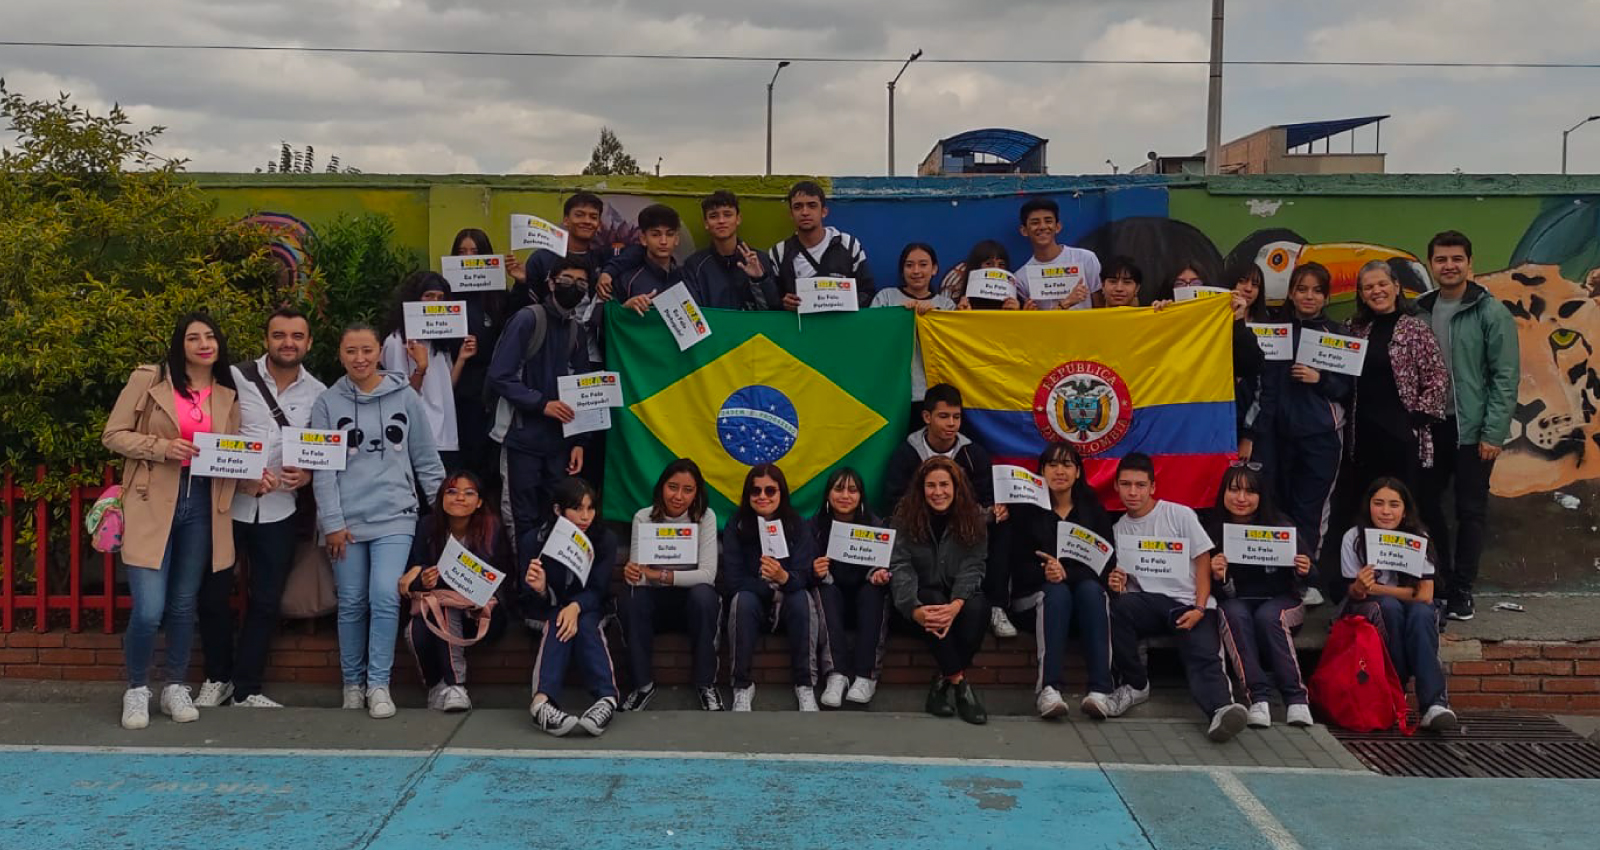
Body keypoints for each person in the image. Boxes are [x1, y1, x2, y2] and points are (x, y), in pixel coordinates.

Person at [102, 313, 250, 730]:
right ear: (180, 345)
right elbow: (113, 434)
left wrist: (257, 479)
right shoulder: (150, 380)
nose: (204, 343)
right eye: (193, 337)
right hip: (151, 503)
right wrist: (163, 447)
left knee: (185, 604)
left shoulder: (227, 395)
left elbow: (232, 455)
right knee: (149, 609)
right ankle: (136, 689)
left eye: (210, 336)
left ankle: (174, 686)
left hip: (203, 505)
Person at [310, 322, 446, 719]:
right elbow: (323, 470)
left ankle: (379, 685)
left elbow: (425, 458)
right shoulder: (326, 402)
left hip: (395, 515)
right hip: (345, 521)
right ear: (340, 354)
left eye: (367, 350)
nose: (360, 358)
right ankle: (352, 684)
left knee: (386, 595)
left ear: (380, 353)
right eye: (351, 350)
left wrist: (440, 514)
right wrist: (331, 522)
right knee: (352, 601)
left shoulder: (404, 396)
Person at [193, 307, 326, 710]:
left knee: (266, 601)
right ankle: (217, 678)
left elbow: (322, 453)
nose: (288, 342)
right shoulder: (233, 378)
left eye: (297, 336)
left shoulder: (319, 392)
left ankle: (247, 688)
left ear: (308, 343)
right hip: (226, 505)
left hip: (280, 510)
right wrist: (240, 478)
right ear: (266, 339)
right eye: (280, 335)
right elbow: (207, 437)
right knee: (213, 595)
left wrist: (307, 477)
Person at [1104, 453, 1250, 743]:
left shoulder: (1178, 514)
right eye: (1126, 484)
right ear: (1117, 488)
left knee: (1204, 655)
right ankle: (1134, 685)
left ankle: (1221, 710)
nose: (1133, 492)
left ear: (1153, 487)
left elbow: (1203, 560)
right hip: (1150, 605)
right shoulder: (1118, 529)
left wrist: (1199, 606)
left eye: (1140, 485)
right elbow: (1126, 582)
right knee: (1116, 606)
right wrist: (1116, 582)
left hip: (1191, 605)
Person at [1414, 231, 1519, 621]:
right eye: (1441, 259)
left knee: (1470, 511)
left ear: (1469, 264)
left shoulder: (1490, 311)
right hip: (1432, 427)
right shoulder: (1420, 310)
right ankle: (1439, 581)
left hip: (1473, 431)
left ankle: (1462, 590)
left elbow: (1505, 377)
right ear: (1431, 265)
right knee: (1426, 504)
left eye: (1456, 259)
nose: (1449, 266)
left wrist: (1493, 433)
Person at [881, 384, 1012, 638]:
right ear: (927, 417)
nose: (952, 423)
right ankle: (913, 598)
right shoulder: (906, 454)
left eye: (957, 416)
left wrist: (991, 511)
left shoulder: (974, 453)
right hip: (919, 529)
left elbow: (986, 500)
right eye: (944, 416)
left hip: (964, 529)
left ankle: (996, 605)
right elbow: (893, 503)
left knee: (1003, 525)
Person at [1252, 262, 1351, 578]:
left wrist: (1318, 378)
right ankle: (1278, 577)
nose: (1309, 297)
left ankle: (1307, 577)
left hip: (1321, 435)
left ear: (1326, 296)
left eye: (1317, 291)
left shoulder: (1337, 334)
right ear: (1291, 293)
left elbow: (1347, 388)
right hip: (1275, 437)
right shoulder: (1271, 330)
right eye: (1302, 289)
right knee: (1274, 504)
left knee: (1311, 509)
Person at [1338, 477, 1458, 731]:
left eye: (1394, 504)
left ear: (1405, 510)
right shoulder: (1354, 537)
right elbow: (1353, 593)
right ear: (1368, 506)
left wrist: (1378, 588)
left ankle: (1434, 704)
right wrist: (1360, 587)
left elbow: (1425, 594)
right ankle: (1395, 693)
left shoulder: (1418, 537)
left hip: (1410, 606)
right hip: (1371, 608)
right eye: (1378, 503)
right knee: (1389, 608)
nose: (1385, 511)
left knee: (1422, 614)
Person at [486, 256, 593, 538]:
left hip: (559, 444)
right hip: (521, 438)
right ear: (551, 282)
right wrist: (541, 404)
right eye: (567, 280)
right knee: (521, 517)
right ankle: (524, 580)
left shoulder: (576, 330)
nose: (575, 287)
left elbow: (583, 390)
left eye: (582, 282)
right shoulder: (527, 319)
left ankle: (548, 579)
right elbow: (500, 375)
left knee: (556, 515)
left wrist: (579, 441)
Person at [1008, 443, 1116, 719]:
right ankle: (1049, 690)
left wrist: (1067, 573)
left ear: (1078, 472)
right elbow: (1015, 566)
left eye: (1067, 465)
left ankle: (1101, 691)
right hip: (1034, 599)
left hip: (1082, 600)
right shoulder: (1025, 511)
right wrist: (1044, 572)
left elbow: (1105, 566)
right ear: (1041, 471)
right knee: (1056, 594)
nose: (1060, 471)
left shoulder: (1092, 510)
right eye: (1053, 465)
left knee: (1092, 591)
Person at [1206, 463, 1315, 729]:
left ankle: (1297, 700)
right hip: (1238, 602)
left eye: (1250, 492)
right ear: (1223, 493)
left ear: (1261, 495)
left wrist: (1304, 569)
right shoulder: (1212, 529)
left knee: (1269, 617)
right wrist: (1218, 575)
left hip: (1282, 601)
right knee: (1231, 612)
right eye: (1234, 490)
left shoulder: (1281, 525)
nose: (1241, 498)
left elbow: (1312, 579)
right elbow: (1215, 589)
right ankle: (1258, 699)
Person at [617, 458, 724, 712]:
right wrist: (633, 573)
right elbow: (640, 578)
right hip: (656, 602)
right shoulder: (643, 517)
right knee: (631, 596)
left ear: (697, 493)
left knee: (704, 595)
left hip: (691, 603)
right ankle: (642, 686)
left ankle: (706, 684)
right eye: (672, 487)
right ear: (661, 487)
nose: (678, 496)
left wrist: (661, 575)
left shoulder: (705, 517)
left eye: (688, 490)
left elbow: (707, 574)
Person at [889, 456, 990, 725]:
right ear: (921, 489)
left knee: (978, 607)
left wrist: (957, 605)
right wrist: (914, 608)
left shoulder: (975, 516)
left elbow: (974, 566)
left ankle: (942, 683)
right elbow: (900, 566)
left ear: (956, 487)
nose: (938, 492)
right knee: (932, 600)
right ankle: (960, 684)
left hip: (956, 598)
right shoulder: (904, 516)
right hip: (920, 600)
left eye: (944, 484)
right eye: (931, 485)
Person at [402, 470, 510, 712]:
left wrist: (482, 599)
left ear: (480, 501)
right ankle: (437, 686)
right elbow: (414, 573)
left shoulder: (492, 528)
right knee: (414, 631)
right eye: (452, 492)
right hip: (437, 606)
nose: (460, 498)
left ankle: (456, 685)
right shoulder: (428, 527)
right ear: (441, 497)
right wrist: (424, 579)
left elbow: (503, 578)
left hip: (482, 613)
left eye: (469, 493)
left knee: (447, 610)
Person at [519, 477, 620, 737]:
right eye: (577, 509)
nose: (585, 516)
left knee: (585, 623)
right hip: (546, 610)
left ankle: (606, 700)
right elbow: (525, 598)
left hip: (588, 609)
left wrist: (576, 605)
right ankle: (542, 703)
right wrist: (541, 589)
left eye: (590, 508)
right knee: (558, 621)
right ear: (558, 510)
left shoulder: (604, 539)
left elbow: (598, 590)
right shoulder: (535, 540)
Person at [1345, 261, 1450, 506]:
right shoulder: (1354, 329)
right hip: (1362, 435)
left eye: (1382, 284)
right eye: (1368, 287)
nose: (1376, 291)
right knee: (1365, 502)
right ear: (1361, 294)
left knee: (1403, 503)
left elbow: (1437, 377)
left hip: (1401, 435)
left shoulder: (1415, 328)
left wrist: (1416, 420)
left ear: (1396, 286)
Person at [723, 464, 820, 711]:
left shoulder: (797, 524)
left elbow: (806, 574)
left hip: (789, 599)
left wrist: (783, 577)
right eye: (756, 491)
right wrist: (767, 587)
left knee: (802, 599)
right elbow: (732, 580)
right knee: (742, 600)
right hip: (755, 599)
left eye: (770, 491)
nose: (763, 497)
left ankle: (805, 685)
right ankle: (741, 686)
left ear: (781, 493)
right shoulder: (737, 525)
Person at [809, 467, 892, 708]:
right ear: (828, 495)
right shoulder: (813, 527)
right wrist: (814, 570)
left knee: (874, 592)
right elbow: (802, 572)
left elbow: (888, 567)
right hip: (831, 603)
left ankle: (865, 677)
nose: (845, 495)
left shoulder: (876, 526)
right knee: (825, 590)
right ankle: (837, 675)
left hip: (864, 603)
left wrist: (879, 573)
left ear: (861, 496)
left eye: (852, 490)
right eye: (839, 489)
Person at [379, 271, 472, 469]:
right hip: (417, 438)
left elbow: (447, 386)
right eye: (428, 296)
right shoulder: (397, 342)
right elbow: (401, 397)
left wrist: (462, 358)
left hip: (446, 435)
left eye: (440, 298)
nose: (434, 303)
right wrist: (420, 368)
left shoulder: (439, 342)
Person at [870, 242, 955, 428]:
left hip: (932, 393)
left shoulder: (946, 305)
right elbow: (872, 338)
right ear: (902, 271)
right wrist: (899, 317)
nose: (916, 271)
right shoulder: (886, 298)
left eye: (923, 264)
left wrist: (935, 317)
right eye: (909, 265)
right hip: (891, 392)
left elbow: (953, 348)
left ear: (934, 269)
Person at [447, 228, 506, 485]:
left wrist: (523, 281)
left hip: (493, 391)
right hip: (457, 389)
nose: (468, 259)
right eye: (462, 253)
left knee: (489, 460)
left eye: (475, 253)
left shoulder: (498, 297)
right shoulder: (446, 298)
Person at [767, 181, 876, 310]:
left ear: (824, 211)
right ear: (791, 214)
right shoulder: (779, 253)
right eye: (798, 207)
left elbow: (868, 291)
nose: (805, 212)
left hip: (841, 326)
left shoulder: (849, 245)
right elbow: (772, 302)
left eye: (812, 205)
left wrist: (847, 304)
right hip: (798, 327)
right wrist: (783, 304)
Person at [508, 192, 612, 311]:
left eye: (593, 217)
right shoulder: (541, 259)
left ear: (599, 224)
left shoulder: (603, 259)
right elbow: (522, 309)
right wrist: (521, 283)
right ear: (566, 220)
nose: (587, 221)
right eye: (579, 215)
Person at [682, 190, 773, 309]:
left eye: (727, 214)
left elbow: (773, 309)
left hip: (753, 328)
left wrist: (759, 279)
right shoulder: (694, 266)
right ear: (706, 223)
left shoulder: (759, 260)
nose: (721, 221)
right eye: (714, 216)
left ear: (738, 219)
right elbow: (693, 313)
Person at [1014, 197, 1102, 310]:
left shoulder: (1085, 258)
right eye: (1035, 222)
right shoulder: (1021, 278)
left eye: (1048, 221)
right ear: (1024, 230)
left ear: (1058, 227)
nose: (1042, 227)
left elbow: (1100, 306)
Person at [606, 204, 688, 315]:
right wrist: (625, 308)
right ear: (643, 239)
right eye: (655, 235)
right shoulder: (626, 279)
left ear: (676, 239)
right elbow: (607, 318)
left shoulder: (687, 277)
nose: (663, 241)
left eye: (669, 234)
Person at [949, 240, 1021, 311]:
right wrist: (964, 315)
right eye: (989, 264)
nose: (996, 269)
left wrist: (1014, 314)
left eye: (1001, 264)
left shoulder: (1014, 301)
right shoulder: (962, 303)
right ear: (976, 267)